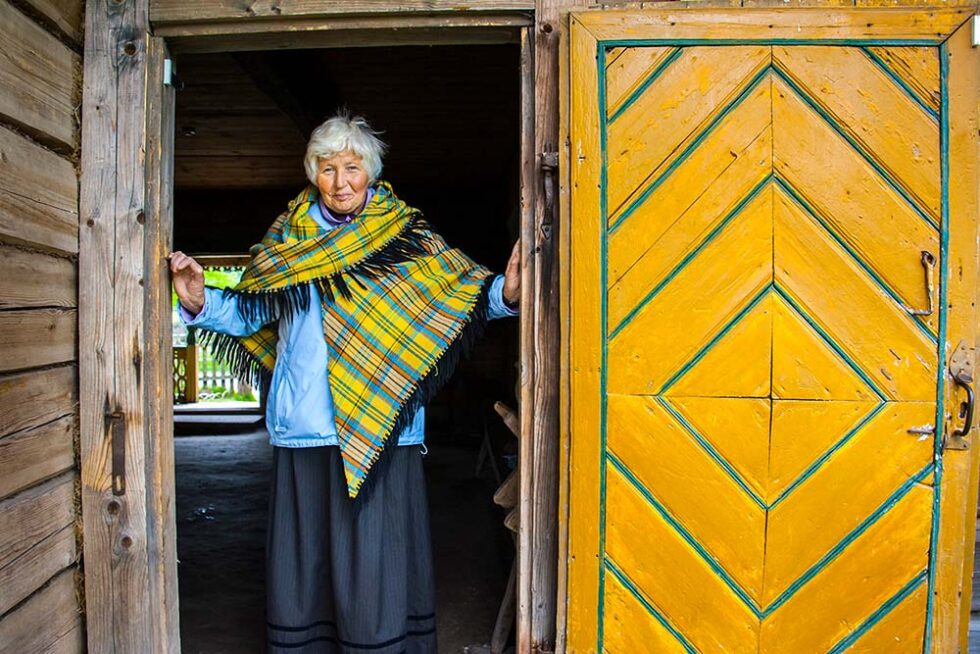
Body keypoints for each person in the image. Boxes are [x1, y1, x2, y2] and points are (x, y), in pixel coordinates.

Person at [169, 112, 520, 654]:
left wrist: (507, 292)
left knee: (374, 555)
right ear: (313, 173)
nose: (340, 182)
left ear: (371, 172)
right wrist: (197, 299)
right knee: (306, 556)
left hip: (383, 428)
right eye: (327, 168)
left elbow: (459, 297)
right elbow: (245, 315)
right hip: (306, 424)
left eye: (351, 167)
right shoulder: (287, 239)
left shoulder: (407, 236)